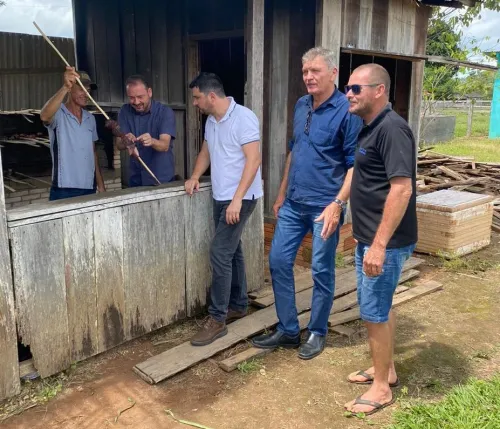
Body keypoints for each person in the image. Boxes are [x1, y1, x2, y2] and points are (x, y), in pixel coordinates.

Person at [252, 47, 362, 360]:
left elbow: (354, 164)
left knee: (320, 269)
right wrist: (282, 191)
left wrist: (338, 204)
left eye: (315, 71)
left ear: (333, 73)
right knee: (277, 262)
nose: (309, 77)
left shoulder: (347, 111)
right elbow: (295, 150)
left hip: (324, 206)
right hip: (294, 203)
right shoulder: (301, 105)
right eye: (305, 72)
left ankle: (317, 331)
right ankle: (288, 330)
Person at [343, 63, 417, 416]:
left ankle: (381, 390)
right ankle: (385, 369)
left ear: (379, 91)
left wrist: (379, 244)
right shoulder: (368, 128)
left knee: (373, 311)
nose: (349, 94)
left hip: (383, 242)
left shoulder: (392, 129)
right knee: (382, 305)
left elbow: (401, 189)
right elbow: (362, 172)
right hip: (370, 239)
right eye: (348, 88)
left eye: (356, 88)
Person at [185, 72, 262, 346]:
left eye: (196, 98)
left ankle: (217, 318)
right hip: (221, 196)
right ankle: (238, 304)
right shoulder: (211, 121)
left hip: (241, 197)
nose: (194, 103)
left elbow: (254, 160)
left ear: (211, 96)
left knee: (219, 252)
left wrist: (238, 199)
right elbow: (206, 151)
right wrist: (195, 176)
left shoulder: (243, 118)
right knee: (232, 250)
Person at [40, 67, 105, 200]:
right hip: (64, 188)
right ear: (70, 89)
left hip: (89, 186)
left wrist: (101, 185)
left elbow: (93, 154)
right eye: (82, 88)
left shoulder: (90, 119)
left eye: (88, 90)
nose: (86, 93)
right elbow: (44, 116)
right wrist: (64, 87)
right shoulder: (58, 114)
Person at [117, 75, 176, 186]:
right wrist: (126, 140)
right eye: (131, 98)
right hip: (135, 179)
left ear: (149, 92)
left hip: (161, 179)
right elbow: (119, 145)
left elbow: (164, 145)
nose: (136, 102)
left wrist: (152, 141)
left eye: (140, 97)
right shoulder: (124, 111)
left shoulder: (165, 112)